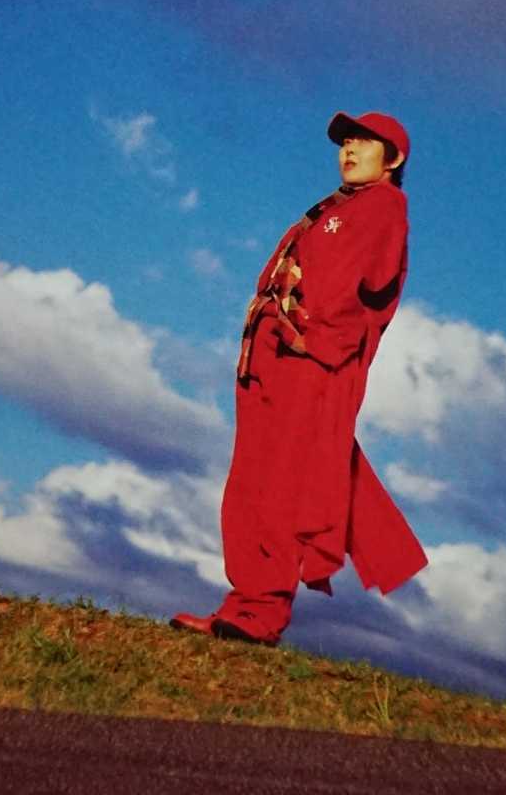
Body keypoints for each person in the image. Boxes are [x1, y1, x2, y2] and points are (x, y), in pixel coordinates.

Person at [171, 111, 428, 646]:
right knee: (254, 479)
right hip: (271, 355)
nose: (349, 149)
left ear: (394, 158)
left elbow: (370, 279)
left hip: (310, 357)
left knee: (284, 484)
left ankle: (260, 614)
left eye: (363, 142)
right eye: (345, 141)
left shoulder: (384, 205)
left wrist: (317, 333)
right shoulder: (338, 207)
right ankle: (242, 605)